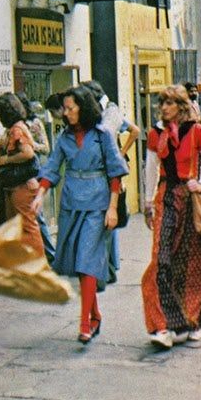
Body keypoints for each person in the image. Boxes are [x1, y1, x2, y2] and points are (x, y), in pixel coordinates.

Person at [31, 85, 128, 343]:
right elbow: (52, 168)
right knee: (80, 263)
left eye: (71, 108)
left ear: (83, 108)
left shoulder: (102, 135)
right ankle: (95, 314)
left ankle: (85, 323)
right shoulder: (63, 138)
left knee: (86, 259)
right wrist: (40, 194)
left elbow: (115, 172)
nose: (66, 113)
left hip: (98, 203)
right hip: (71, 203)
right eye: (65, 108)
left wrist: (112, 208)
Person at [142, 85, 201, 349]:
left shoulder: (196, 131)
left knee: (193, 262)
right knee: (160, 260)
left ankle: (192, 320)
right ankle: (161, 325)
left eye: (170, 103)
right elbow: (151, 169)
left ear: (181, 107)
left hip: (189, 201)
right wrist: (148, 202)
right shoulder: (156, 134)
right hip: (166, 198)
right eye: (162, 103)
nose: (164, 108)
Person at [81, 80, 140, 283]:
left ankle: (105, 270)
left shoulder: (102, 119)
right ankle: (112, 263)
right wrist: (121, 154)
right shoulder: (112, 112)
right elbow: (135, 130)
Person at [0, 93, 44, 258]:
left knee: (28, 228)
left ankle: (37, 266)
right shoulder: (17, 127)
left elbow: (28, 153)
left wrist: (6, 160)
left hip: (22, 186)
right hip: (16, 186)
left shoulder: (17, 129)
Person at [17, 93, 55, 263]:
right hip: (20, 174)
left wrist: (31, 145)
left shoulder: (34, 123)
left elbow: (46, 147)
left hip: (34, 171)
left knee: (36, 215)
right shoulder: (16, 126)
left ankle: (51, 254)